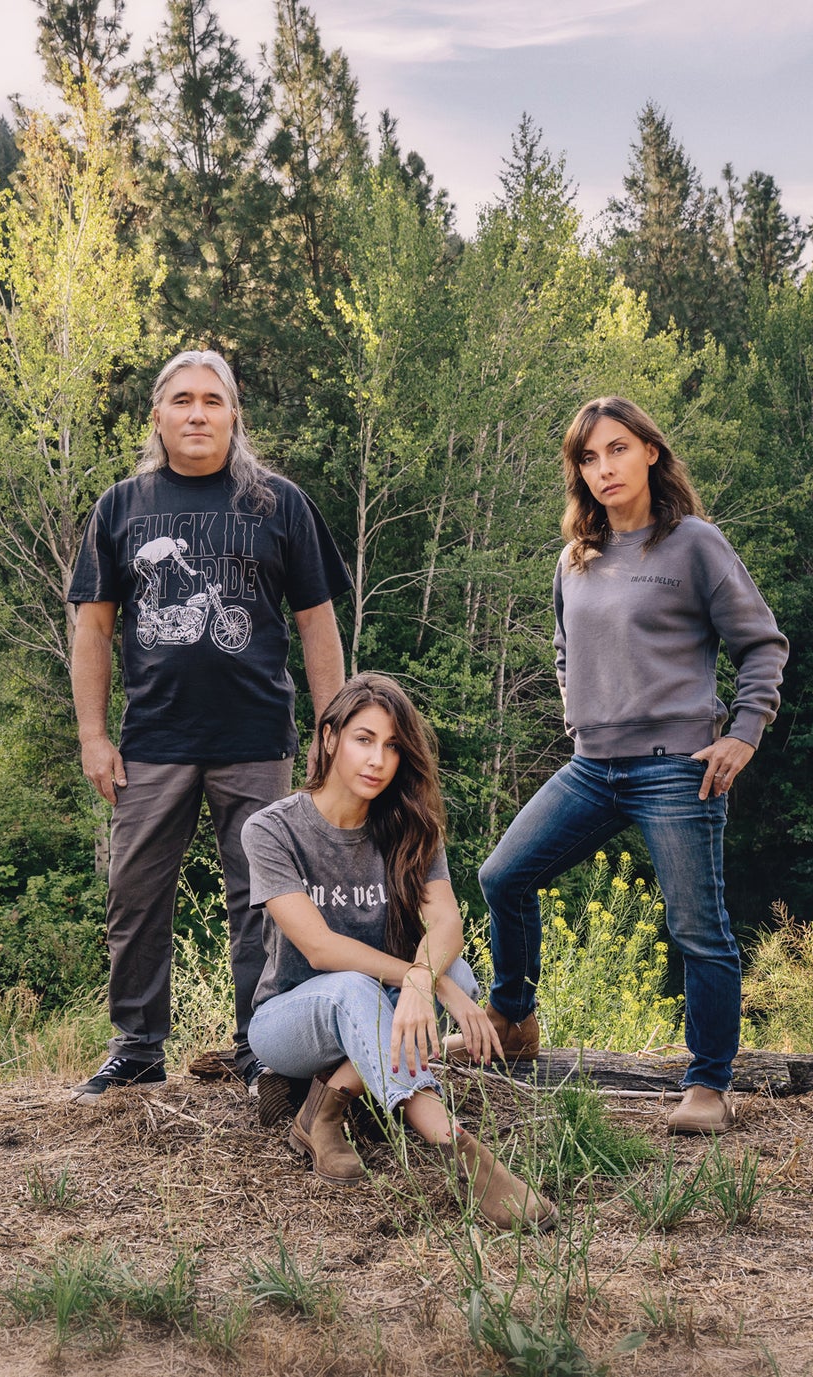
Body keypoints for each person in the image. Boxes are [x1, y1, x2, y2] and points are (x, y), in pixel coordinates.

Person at [476, 397, 788, 1135]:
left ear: (650, 451)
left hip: (678, 766)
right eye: (588, 457)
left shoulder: (694, 545)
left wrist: (742, 734)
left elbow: (763, 645)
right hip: (592, 766)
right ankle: (513, 1018)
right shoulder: (575, 557)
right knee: (502, 875)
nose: (604, 468)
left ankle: (708, 1084)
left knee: (698, 927)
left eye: (617, 449)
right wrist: (575, 705)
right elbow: (562, 647)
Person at [66, 349, 350, 1105]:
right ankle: (135, 1045)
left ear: (234, 415)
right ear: (157, 415)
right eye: (182, 399)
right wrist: (94, 735)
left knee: (266, 901)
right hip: (152, 739)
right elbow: (93, 630)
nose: (197, 413)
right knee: (134, 894)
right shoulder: (120, 508)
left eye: (213, 400)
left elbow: (317, 623)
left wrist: (334, 727)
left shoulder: (279, 503)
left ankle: (264, 1043)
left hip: (257, 737)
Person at [246, 674, 555, 1231]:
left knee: (457, 969)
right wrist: (424, 982)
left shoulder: (413, 827)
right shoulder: (272, 830)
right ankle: (462, 1153)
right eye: (364, 739)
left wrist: (424, 980)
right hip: (292, 1020)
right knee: (373, 983)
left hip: (379, 1010)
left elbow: (446, 923)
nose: (378, 760)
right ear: (330, 736)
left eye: (393, 746)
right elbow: (319, 949)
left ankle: (327, 1104)